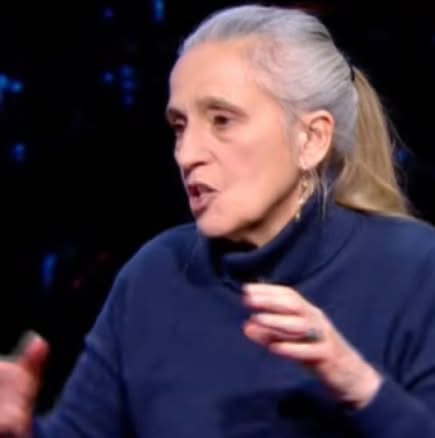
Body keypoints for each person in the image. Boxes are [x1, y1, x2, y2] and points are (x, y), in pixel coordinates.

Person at [1, 4, 435, 437]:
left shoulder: (416, 268)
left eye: (222, 121)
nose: (187, 155)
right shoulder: (155, 274)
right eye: (179, 127)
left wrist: (357, 384)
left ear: (311, 138)